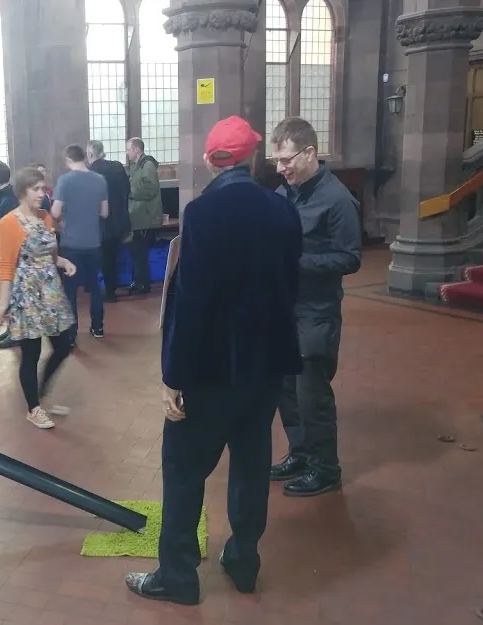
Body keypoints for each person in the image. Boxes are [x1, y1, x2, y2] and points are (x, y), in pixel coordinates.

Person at [125, 116, 303, 605]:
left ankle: (178, 577)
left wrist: (172, 376)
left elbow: (193, 300)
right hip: (265, 367)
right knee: (251, 462)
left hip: (210, 370)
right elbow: (291, 286)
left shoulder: (202, 214)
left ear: (209, 159)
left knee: (184, 469)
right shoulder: (282, 210)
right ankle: (244, 560)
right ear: (250, 158)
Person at [267, 117, 362, 498]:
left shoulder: (338, 200)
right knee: (285, 388)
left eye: (287, 159)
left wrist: (293, 264)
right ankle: (300, 453)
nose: (280, 168)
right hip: (284, 309)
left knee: (312, 394)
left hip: (316, 313)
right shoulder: (287, 191)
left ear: (310, 153)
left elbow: (350, 258)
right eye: (276, 160)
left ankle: (326, 469)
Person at [0, 167, 78, 429]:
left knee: (64, 345)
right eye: (37, 189)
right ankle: (33, 408)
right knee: (30, 353)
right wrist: (3, 303)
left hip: (51, 290)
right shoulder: (8, 223)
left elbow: (50, 254)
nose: (43, 194)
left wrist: (63, 262)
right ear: (22, 192)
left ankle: (40, 394)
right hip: (27, 293)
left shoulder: (45, 218)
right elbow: (6, 266)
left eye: (44, 189)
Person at [50, 145, 109, 339]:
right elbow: (104, 212)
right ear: (84, 157)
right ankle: (98, 327)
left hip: (71, 243)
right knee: (95, 287)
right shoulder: (100, 180)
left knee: (70, 291)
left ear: (68, 160)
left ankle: (71, 335)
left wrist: (63, 218)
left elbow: (56, 213)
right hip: (94, 242)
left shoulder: (64, 181)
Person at [86, 140, 131, 303]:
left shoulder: (91, 172)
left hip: (101, 221)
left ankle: (108, 291)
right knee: (113, 255)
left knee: (104, 257)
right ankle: (113, 286)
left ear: (91, 154)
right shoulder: (117, 166)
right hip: (120, 220)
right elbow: (128, 189)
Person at [126, 137, 163, 294]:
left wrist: (129, 193)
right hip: (138, 215)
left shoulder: (147, 165)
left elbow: (149, 188)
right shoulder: (137, 166)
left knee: (141, 251)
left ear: (136, 149)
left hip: (145, 216)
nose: (127, 153)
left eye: (128, 150)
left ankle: (143, 283)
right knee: (137, 251)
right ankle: (138, 280)